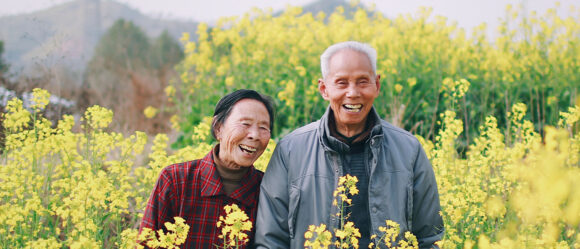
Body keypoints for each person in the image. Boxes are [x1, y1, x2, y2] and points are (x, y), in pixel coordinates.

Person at [254, 41, 444, 249]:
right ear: (324, 89)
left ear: (377, 85)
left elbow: (428, 238)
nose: (353, 93)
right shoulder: (290, 150)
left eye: (363, 82)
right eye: (341, 83)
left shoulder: (409, 150)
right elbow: (270, 240)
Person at [139, 89, 275, 249]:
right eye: (245, 124)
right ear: (218, 128)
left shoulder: (267, 190)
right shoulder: (176, 180)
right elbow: (146, 243)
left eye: (263, 128)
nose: (254, 135)